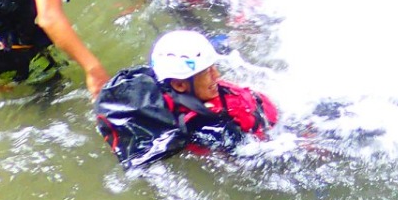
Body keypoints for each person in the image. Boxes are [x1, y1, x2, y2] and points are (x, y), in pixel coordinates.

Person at [94, 30, 278, 169]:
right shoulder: (209, 128)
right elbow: (254, 158)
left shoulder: (174, 87)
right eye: (207, 72)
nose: (217, 75)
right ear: (180, 85)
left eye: (213, 67)